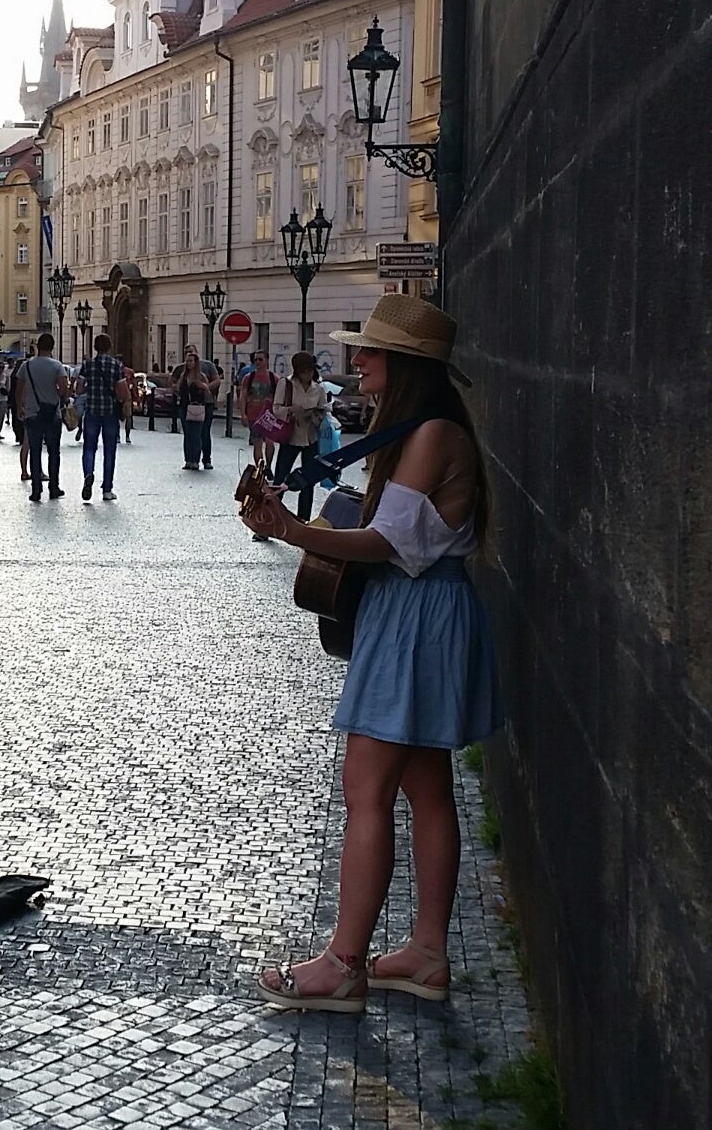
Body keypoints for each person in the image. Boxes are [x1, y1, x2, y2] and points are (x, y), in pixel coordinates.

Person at [239, 295, 498, 1013]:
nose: (359, 363)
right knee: (425, 788)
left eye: (373, 352)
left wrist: (292, 530)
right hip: (420, 608)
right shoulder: (425, 428)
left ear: (406, 365)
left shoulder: (429, 436)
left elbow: (387, 543)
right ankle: (425, 954)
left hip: (414, 614)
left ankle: (344, 964)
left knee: (367, 788)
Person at [269, 352, 330, 522]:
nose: (307, 375)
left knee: (308, 480)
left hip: (310, 437)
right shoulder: (286, 384)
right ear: (297, 371)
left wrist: (317, 416)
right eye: (304, 371)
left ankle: (303, 520)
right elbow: (276, 409)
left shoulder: (318, 388)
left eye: (310, 371)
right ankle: (271, 518)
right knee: (281, 477)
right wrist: (291, 410)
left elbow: (324, 410)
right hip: (290, 437)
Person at [13, 333, 71, 502]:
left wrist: (19, 408)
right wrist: (60, 395)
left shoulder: (27, 366)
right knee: (54, 452)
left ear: (37, 346)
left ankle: (36, 489)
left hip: (32, 413)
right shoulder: (57, 366)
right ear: (52, 347)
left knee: (35, 451)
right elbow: (64, 390)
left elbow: (19, 389)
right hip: (53, 414)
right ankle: (54, 487)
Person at [74, 332, 129, 502]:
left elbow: (79, 389)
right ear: (110, 346)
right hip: (110, 413)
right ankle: (107, 489)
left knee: (89, 447)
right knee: (109, 450)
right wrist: (122, 400)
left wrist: (90, 388)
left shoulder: (88, 365)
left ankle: (89, 474)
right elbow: (123, 391)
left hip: (92, 411)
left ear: (95, 347)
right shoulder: (116, 366)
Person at [174, 346, 219, 471]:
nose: (189, 363)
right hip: (184, 406)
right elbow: (176, 387)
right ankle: (188, 460)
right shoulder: (183, 375)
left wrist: (203, 386)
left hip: (198, 407)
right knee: (188, 434)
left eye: (191, 360)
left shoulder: (202, 375)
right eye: (187, 360)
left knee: (198, 434)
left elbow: (208, 389)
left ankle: (197, 460)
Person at [241, 351, 278, 470]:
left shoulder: (273, 378)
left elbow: (280, 397)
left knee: (269, 442)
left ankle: (268, 466)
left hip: (269, 416)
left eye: (260, 359)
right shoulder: (249, 378)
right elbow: (243, 396)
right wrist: (243, 414)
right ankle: (259, 469)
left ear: (267, 360)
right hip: (253, 414)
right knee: (257, 443)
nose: (257, 362)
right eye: (256, 360)